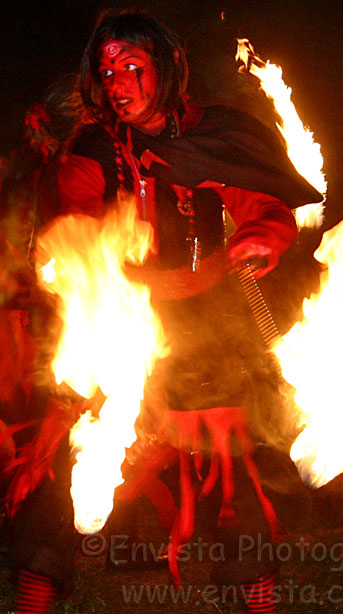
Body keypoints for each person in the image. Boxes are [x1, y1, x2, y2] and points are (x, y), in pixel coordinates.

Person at [8, 9, 321, 613]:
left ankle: (260, 599)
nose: (117, 82)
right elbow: (73, 211)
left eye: (132, 66)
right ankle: (34, 597)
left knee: (230, 468)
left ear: (167, 68)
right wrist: (85, 245)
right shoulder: (96, 145)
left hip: (206, 324)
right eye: (107, 71)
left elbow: (260, 203)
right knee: (71, 455)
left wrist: (262, 234)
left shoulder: (215, 133)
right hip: (121, 319)